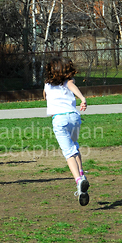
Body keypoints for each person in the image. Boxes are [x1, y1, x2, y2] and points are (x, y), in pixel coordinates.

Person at [43, 57, 89, 206]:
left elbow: (44, 96)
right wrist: (82, 99)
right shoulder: (69, 82)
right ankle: (81, 173)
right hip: (74, 117)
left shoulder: (48, 85)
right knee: (75, 146)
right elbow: (72, 86)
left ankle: (79, 181)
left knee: (69, 153)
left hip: (59, 120)